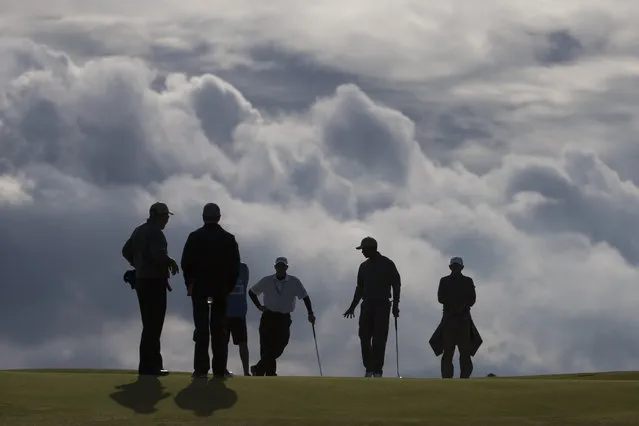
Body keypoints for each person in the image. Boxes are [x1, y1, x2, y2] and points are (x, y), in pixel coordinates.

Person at [180, 202, 241, 379]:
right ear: (219, 217)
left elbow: (186, 264)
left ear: (203, 217)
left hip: (200, 289)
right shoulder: (228, 239)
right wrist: (227, 288)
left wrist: (190, 283)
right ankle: (219, 369)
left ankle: (200, 369)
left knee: (201, 329)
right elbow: (234, 268)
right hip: (220, 290)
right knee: (219, 329)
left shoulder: (194, 237)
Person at [121, 202, 180, 377]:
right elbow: (158, 256)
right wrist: (170, 261)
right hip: (154, 282)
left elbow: (126, 251)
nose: (167, 220)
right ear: (158, 216)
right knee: (154, 325)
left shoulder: (139, 230)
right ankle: (151, 366)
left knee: (149, 324)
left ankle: (148, 365)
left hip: (141, 281)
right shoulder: (156, 233)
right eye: (165, 216)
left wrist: (137, 265)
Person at [343, 236, 400, 378]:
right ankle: (369, 368)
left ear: (372, 249)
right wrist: (352, 307)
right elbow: (360, 288)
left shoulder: (387, 263)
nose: (362, 252)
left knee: (379, 338)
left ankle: (377, 370)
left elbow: (396, 284)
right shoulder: (363, 266)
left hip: (382, 304)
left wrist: (396, 305)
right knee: (364, 336)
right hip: (367, 304)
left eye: (364, 249)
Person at [248, 257, 315, 376]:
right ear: (275, 267)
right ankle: (269, 373)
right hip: (268, 316)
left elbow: (305, 297)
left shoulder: (294, 281)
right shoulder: (267, 280)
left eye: (282, 266)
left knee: (280, 345)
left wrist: (310, 313)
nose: (280, 268)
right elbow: (252, 292)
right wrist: (259, 306)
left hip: (284, 318)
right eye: (278, 266)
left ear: (286, 267)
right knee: (266, 346)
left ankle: (258, 369)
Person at [436, 256, 477, 379]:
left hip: (463, 319)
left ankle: (465, 377)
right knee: (448, 351)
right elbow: (440, 298)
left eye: (457, 267)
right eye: (453, 267)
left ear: (462, 268)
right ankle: (447, 378)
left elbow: (472, 299)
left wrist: (462, 305)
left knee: (465, 351)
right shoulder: (444, 281)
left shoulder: (468, 281)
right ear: (450, 267)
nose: (455, 269)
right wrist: (454, 305)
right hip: (449, 319)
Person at [224, 261, 251, 376]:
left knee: (243, 342)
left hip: (239, 313)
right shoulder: (221, 266)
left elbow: (244, 285)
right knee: (223, 342)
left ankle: (246, 372)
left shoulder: (243, 268)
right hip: (224, 312)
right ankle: (222, 369)